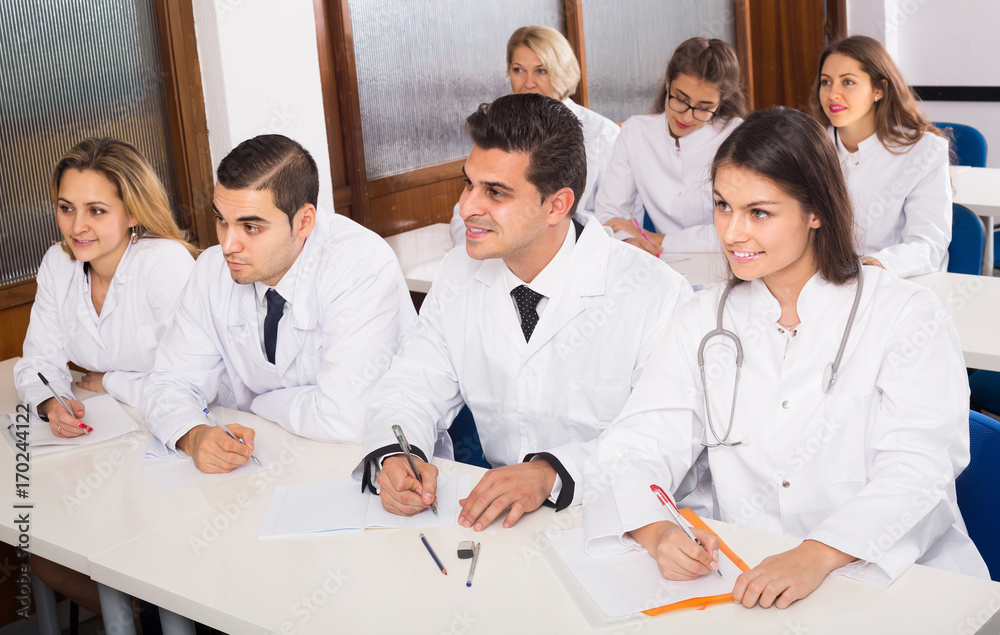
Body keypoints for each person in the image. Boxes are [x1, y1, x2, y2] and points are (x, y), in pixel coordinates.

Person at [583, 108, 988, 611]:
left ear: (815, 211)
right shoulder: (703, 318)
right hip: (749, 574)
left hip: (893, 579)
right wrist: (657, 530)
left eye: (759, 213)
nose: (732, 233)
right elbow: (636, 443)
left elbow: (920, 470)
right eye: (722, 206)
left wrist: (818, 553)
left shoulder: (906, 315)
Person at [356, 93, 693, 532]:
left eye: (495, 192)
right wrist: (396, 453)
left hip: (623, 525)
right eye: (468, 183)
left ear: (557, 204)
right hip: (503, 527)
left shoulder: (654, 292)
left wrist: (551, 472)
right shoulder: (459, 272)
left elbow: (662, 435)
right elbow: (413, 385)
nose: (466, 207)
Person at [140, 134, 416, 473]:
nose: (227, 245)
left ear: (304, 222)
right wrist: (193, 434)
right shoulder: (212, 270)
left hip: (367, 469)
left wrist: (256, 403)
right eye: (221, 220)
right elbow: (169, 382)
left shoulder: (358, 264)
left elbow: (348, 418)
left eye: (251, 227)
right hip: (263, 462)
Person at [14, 137, 198, 616]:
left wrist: (109, 381)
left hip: (174, 440)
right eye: (66, 208)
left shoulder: (165, 263)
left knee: (153, 550)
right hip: (101, 446)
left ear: (132, 212)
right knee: (48, 550)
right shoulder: (59, 264)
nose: (78, 227)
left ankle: (168, 615)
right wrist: (53, 401)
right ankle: (141, 617)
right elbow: (36, 361)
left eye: (96, 210)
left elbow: (192, 382)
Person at [449, 25, 620, 245]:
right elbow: (466, 210)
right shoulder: (498, 130)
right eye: (518, 70)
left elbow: (613, 221)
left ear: (562, 72)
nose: (528, 83)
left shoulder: (604, 135)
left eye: (541, 71)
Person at [812, 35, 951, 278]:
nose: (833, 94)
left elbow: (927, 246)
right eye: (826, 82)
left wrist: (875, 265)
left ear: (879, 89)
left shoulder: (924, 151)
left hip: (889, 282)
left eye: (848, 82)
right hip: (816, 281)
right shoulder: (806, 145)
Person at [595, 37, 746, 255]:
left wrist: (662, 239)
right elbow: (609, 211)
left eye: (704, 107)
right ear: (668, 82)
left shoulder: (734, 135)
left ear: (722, 101)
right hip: (656, 258)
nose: (686, 116)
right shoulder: (635, 132)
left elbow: (739, 225)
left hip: (724, 259)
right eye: (681, 99)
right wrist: (631, 240)